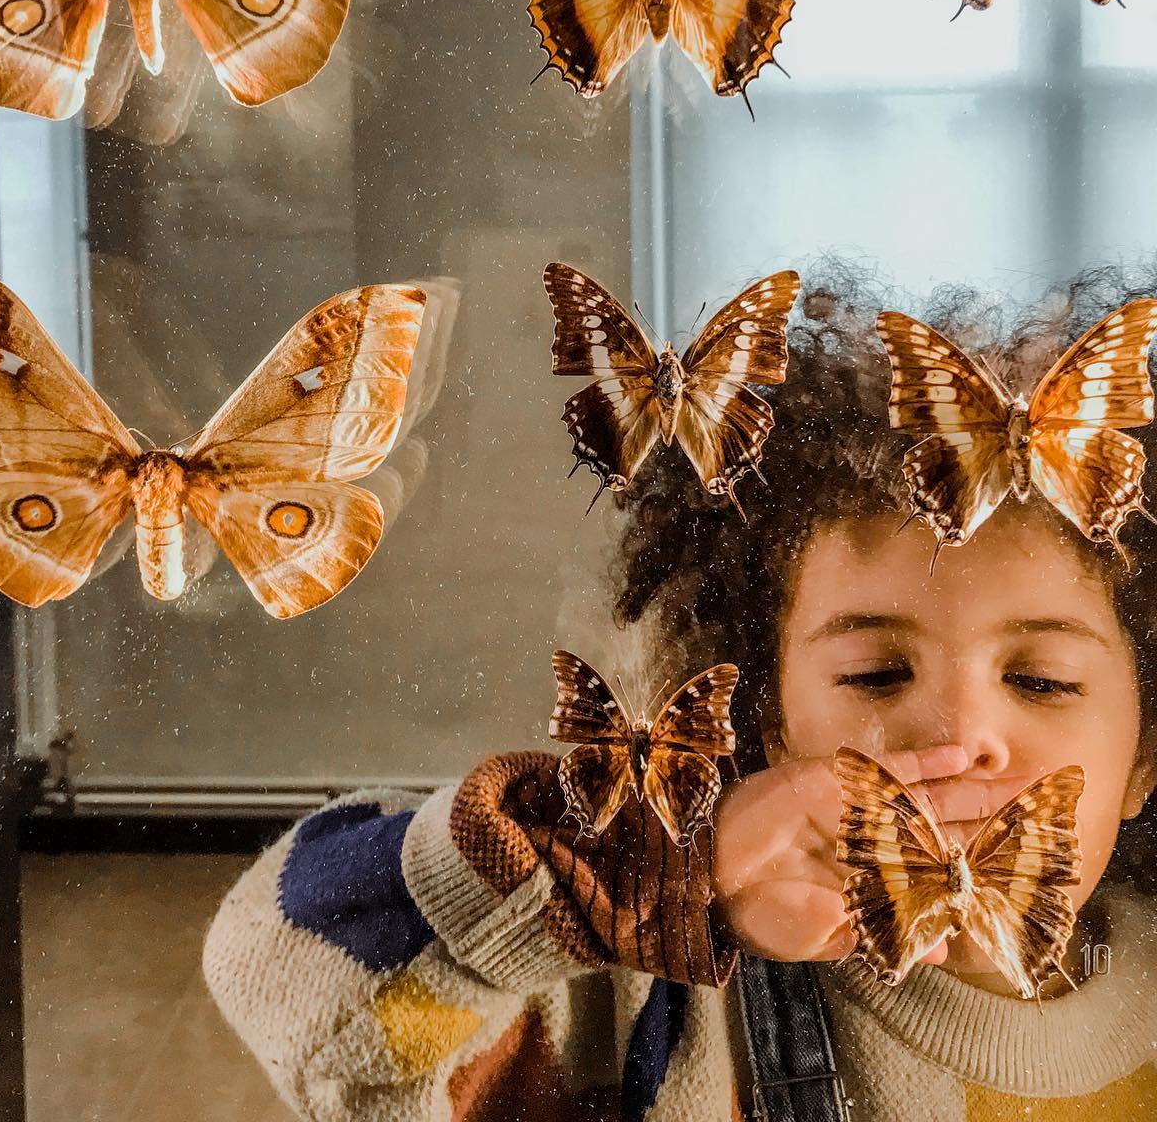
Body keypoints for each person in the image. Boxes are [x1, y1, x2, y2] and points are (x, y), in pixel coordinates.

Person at [202, 265, 1157, 1121]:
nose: (960, 733)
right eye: (874, 673)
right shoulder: (641, 1003)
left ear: (1145, 760)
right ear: (774, 728)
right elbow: (289, 976)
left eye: (1042, 680)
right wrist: (648, 874)